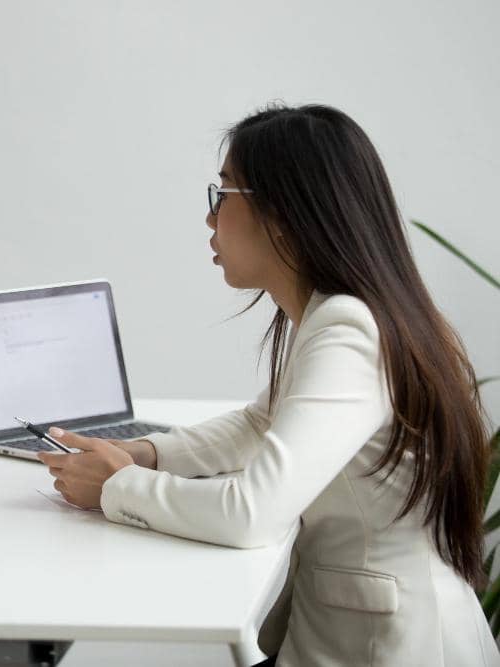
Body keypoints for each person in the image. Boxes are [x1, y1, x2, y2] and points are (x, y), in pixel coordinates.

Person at [38, 105, 499, 665]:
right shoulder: (346, 313)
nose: (211, 219)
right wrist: (143, 452)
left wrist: (118, 485)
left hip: (392, 646)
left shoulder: (349, 330)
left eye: (224, 193)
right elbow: (263, 422)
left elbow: (252, 514)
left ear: (283, 211)